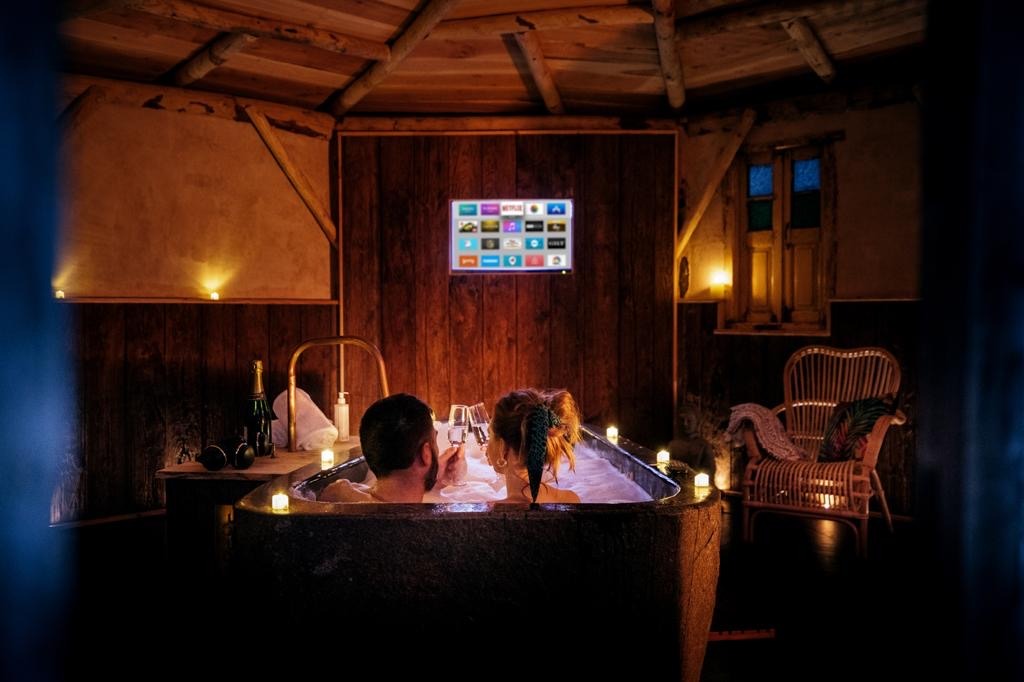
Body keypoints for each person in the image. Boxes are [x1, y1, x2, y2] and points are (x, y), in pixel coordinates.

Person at [320, 393, 463, 503]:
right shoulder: (431, 525)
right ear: (426, 454)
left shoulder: (343, 496)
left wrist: (434, 479)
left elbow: (334, 490)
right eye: (435, 440)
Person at [485, 388, 582, 503]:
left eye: (490, 435)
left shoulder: (490, 511)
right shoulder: (570, 500)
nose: (487, 445)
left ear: (503, 448)